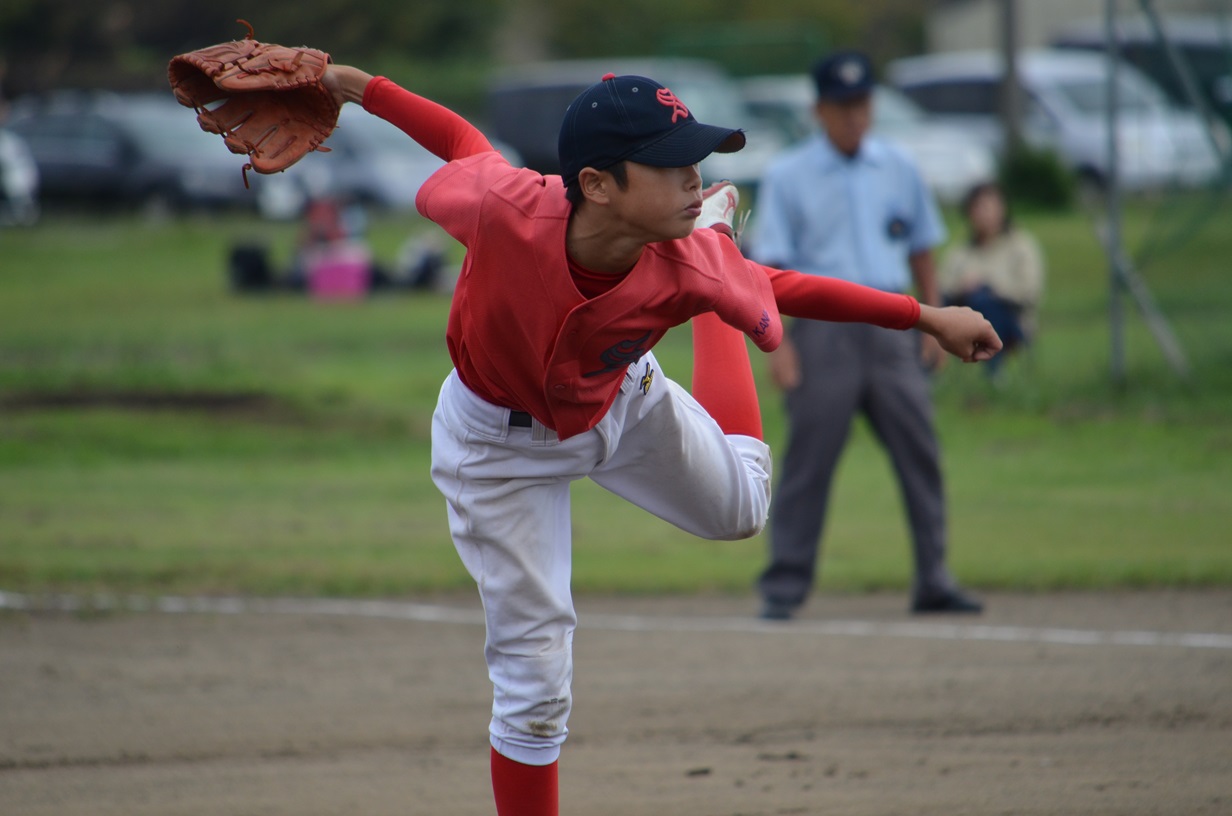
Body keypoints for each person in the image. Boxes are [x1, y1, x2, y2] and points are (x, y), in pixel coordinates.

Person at [320, 60, 999, 815]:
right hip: (496, 447)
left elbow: (791, 288)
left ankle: (716, 294)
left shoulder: (676, 254)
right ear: (599, 183)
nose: (692, 174)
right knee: (535, 686)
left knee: (742, 510)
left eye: (697, 163)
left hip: (622, 396)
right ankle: (718, 282)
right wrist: (356, 87)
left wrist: (928, 317)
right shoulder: (506, 207)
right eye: (671, 164)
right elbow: (459, 140)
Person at [752, 49, 987, 622]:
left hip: (895, 327)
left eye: (861, 104)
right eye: (841, 106)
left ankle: (934, 578)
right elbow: (766, 269)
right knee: (810, 458)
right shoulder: (788, 174)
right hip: (822, 333)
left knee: (920, 452)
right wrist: (778, 348)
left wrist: (934, 324)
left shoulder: (898, 167)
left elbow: (921, 248)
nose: (854, 115)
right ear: (819, 110)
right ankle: (785, 584)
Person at [939, 180, 1045, 375]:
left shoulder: (1020, 245)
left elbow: (1028, 292)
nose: (983, 214)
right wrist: (962, 287)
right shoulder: (961, 251)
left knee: (985, 301)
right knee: (930, 307)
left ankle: (994, 373)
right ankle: (928, 367)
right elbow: (943, 286)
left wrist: (988, 285)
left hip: (1011, 318)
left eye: (989, 207)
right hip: (965, 312)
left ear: (1003, 209)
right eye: (977, 208)